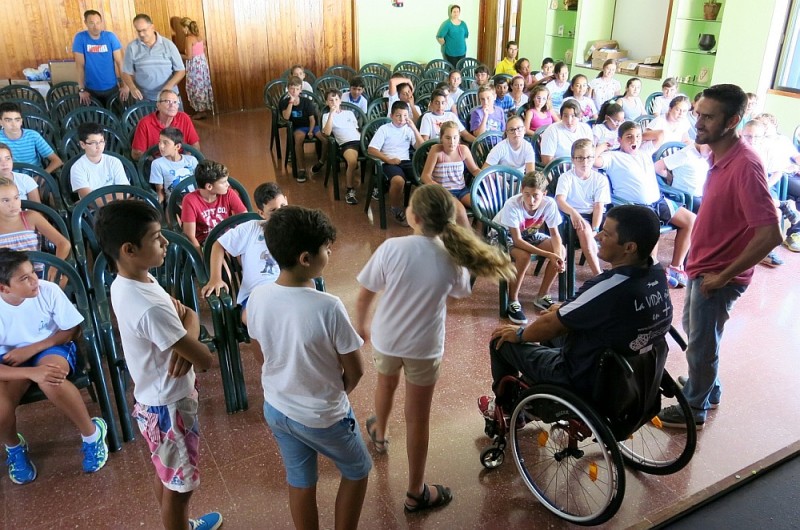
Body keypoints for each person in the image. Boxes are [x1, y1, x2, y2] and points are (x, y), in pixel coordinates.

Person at [355, 184, 512, 513]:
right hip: (424, 346)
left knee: (385, 384)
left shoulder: (391, 247)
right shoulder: (451, 257)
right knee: (418, 420)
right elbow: (459, 293)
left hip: (387, 337)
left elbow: (366, 291)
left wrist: (361, 323)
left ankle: (380, 433)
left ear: (412, 216)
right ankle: (416, 492)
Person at [656, 84, 782, 430]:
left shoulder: (745, 166)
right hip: (702, 266)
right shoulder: (717, 155)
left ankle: (694, 406)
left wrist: (724, 276)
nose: (699, 122)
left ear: (733, 121)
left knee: (700, 341)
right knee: (699, 333)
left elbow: (771, 234)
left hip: (718, 273)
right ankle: (707, 388)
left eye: (709, 117)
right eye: (698, 113)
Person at [94, 200, 222, 530]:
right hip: (170, 408)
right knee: (181, 489)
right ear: (129, 250)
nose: (165, 242)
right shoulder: (148, 305)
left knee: (167, 476)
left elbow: (181, 323)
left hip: (154, 400)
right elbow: (204, 358)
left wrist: (186, 327)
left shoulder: (129, 281)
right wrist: (192, 321)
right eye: (155, 238)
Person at [478, 205, 673, 414]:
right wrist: (563, 310)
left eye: (606, 234)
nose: (597, 236)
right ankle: (535, 399)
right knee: (555, 320)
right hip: (634, 368)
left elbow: (551, 325)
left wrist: (519, 334)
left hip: (586, 374)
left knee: (501, 341)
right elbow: (605, 311)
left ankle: (508, 408)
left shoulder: (609, 286)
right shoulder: (656, 273)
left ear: (629, 247)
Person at [247, 205, 371, 530]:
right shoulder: (327, 306)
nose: (329, 253)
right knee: (357, 470)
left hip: (277, 408)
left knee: (300, 479)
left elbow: (259, 351)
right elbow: (355, 369)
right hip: (322, 416)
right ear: (306, 258)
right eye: (326, 250)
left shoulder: (257, 297)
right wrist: (333, 393)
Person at [0, 249, 108, 485]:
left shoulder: (47, 291)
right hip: (9, 358)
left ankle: (92, 435)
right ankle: (14, 447)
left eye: (32, 272)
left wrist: (33, 349)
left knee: (51, 379)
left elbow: (70, 329)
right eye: (24, 278)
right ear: (3, 288)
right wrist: (29, 371)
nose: (34, 280)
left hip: (51, 345)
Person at [594, 121, 695, 288]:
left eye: (637, 137)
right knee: (652, 227)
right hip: (636, 207)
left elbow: (660, 133)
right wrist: (604, 145)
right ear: (619, 140)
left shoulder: (644, 151)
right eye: (628, 137)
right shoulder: (612, 157)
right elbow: (593, 161)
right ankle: (652, 273)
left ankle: (676, 267)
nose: (634, 140)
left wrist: (638, 135)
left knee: (691, 220)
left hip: (658, 201)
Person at [201, 182, 286, 325]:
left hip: (288, 289)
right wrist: (215, 278)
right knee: (253, 319)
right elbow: (218, 245)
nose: (281, 214)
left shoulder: (295, 228)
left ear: (287, 200)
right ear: (262, 213)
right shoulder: (253, 228)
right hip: (256, 294)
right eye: (273, 210)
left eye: (283, 206)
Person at [493, 171, 565, 324]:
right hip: (502, 236)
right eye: (527, 194)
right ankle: (513, 301)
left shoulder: (549, 203)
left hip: (529, 234)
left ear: (544, 194)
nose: (531, 200)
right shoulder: (512, 204)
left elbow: (555, 235)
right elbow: (517, 241)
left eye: (536, 196)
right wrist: (547, 254)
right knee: (523, 256)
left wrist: (557, 256)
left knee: (561, 250)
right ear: (521, 191)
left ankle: (542, 296)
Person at [554, 139, 610, 276]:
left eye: (589, 157)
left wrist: (596, 229)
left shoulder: (600, 179)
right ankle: (598, 274)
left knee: (621, 228)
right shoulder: (566, 177)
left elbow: (598, 206)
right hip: (573, 216)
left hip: (596, 216)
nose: (585, 162)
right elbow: (560, 199)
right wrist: (573, 212)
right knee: (584, 230)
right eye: (580, 158)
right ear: (573, 159)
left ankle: (621, 271)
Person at [367, 101, 424, 226]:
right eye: (398, 115)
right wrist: (388, 160)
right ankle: (395, 209)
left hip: (406, 161)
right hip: (389, 162)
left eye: (405, 116)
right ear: (391, 115)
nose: (401, 119)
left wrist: (414, 128)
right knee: (398, 181)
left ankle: (423, 211)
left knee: (424, 178)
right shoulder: (384, 129)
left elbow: (420, 147)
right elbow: (371, 149)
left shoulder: (409, 129)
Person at [0, 178, 71, 270]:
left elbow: (64, 243)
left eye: (16, 197)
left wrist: (55, 268)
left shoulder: (31, 217)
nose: (13, 204)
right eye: (6, 200)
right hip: (5, 279)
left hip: (37, 273)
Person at [420, 120, 481, 228]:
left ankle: (480, 234)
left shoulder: (463, 150)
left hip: (462, 189)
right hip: (444, 192)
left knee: (482, 205)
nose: (452, 141)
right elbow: (425, 175)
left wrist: (489, 176)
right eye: (447, 138)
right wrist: (435, 186)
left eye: (455, 137)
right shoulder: (436, 151)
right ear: (441, 139)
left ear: (459, 138)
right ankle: (471, 240)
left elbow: (475, 170)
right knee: (460, 211)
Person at [180, 160, 247, 252]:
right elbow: (189, 235)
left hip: (228, 237)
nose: (228, 184)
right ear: (209, 187)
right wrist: (201, 258)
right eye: (223, 182)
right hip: (206, 242)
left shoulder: (229, 193)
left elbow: (245, 219)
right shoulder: (189, 200)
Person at [121, 14, 186, 103]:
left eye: (144, 30)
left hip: (169, 97)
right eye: (138, 31)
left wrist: (168, 87)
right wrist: (132, 88)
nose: (141, 34)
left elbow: (181, 71)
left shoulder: (168, 45)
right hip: (144, 99)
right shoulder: (132, 47)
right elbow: (126, 72)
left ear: (152, 27)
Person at [72, 9, 127, 106]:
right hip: (90, 90)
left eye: (98, 23)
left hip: (112, 88)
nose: (95, 27)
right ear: (86, 23)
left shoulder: (110, 37)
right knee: (95, 120)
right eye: (91, 23)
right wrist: (81, 89)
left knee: (115, 117)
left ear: (101, 22)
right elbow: (79, 66)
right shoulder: (80, 38)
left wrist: (125, 85)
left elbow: (120, 62)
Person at [130, 89, 201, 160]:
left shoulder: (184, 118)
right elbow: (136, 154)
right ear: (158, 105)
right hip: (155, 163)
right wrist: (161, 163)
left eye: (175, 102)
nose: (172, 105)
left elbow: (195, 146)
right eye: (167, 101)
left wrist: (182, 160)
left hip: (180, 160)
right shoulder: (145, 123)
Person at [280, 76, 326, 183]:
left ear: (300, 90)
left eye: (297, 89)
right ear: (288, 89)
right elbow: (286, 117)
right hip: (298, 127)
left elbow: (312, 119)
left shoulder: (306, 102)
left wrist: (310, 131)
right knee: (298, 140)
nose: (294, 91)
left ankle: (321, 162)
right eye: (292, 89)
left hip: (311, 125)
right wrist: (291, 102)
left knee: (325, 140)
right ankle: (302, 169)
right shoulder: (284, 102)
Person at [69, 122, 129, 201]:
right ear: (82, 144)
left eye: (101, 141)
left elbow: (126, 192)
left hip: (119, 205)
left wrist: (100, 197)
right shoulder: (77, 167)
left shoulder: (114, 161)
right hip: (95, 211)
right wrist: (114, 198)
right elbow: (89, 200)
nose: (99, 146)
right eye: (93, 143)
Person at [321, 89, 362, 205]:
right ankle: (350, 190)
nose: (334, 102)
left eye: (336, 99)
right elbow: (327, 133)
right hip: (346, 143)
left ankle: (378, 186)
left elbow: (356, 129)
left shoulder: (349, 113)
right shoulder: (326, 116)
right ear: (327, 102)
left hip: (359, 140)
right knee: (352, 162)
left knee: (379, 156)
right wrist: (331, 114)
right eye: (331, 100)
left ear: (340, 101)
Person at [0, 103, 62, 174]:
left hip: (34, 176)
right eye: (8, 120)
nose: (14, 125)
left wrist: (42, 176)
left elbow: (57, 161)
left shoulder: (33, 136)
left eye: (17, 120)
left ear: (21, 121)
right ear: (1, 122)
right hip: (6, 179)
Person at [654, 142, 711, 212]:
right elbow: (657, 167)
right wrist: (670, 177)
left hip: (701, 195)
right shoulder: (686, 154)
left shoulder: (705, 157)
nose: (711, 153)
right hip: (687, 197)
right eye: (709, 149)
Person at [149, 127, 199, 204]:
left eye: (165, 143)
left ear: (177, 146)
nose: (161, 146)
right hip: (174, 203)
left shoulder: (191, 160)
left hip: (195, 200)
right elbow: (160, 191)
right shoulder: (157, 164)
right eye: (160, 142)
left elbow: (200, 184)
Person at [179, 17, 214, 119]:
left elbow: (189, 56)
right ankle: (203, 109)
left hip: (195, 66)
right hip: (202, 65)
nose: (182, 30)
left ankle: (200, 111)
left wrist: (178, 54)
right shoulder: (199, 37)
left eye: (182, 27)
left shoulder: (188, 38)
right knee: (202, 86)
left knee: (196, 87)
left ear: (186, 27)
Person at [539, 99, 592, 165]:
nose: (569, 121)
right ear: (561, 116)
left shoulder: (586, 128)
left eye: (573, 116)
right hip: (560, 170)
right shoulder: (552, 130)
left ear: (580, 116)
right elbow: (546, 161)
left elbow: (591, 153)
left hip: (582, 167)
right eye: (565, 116)